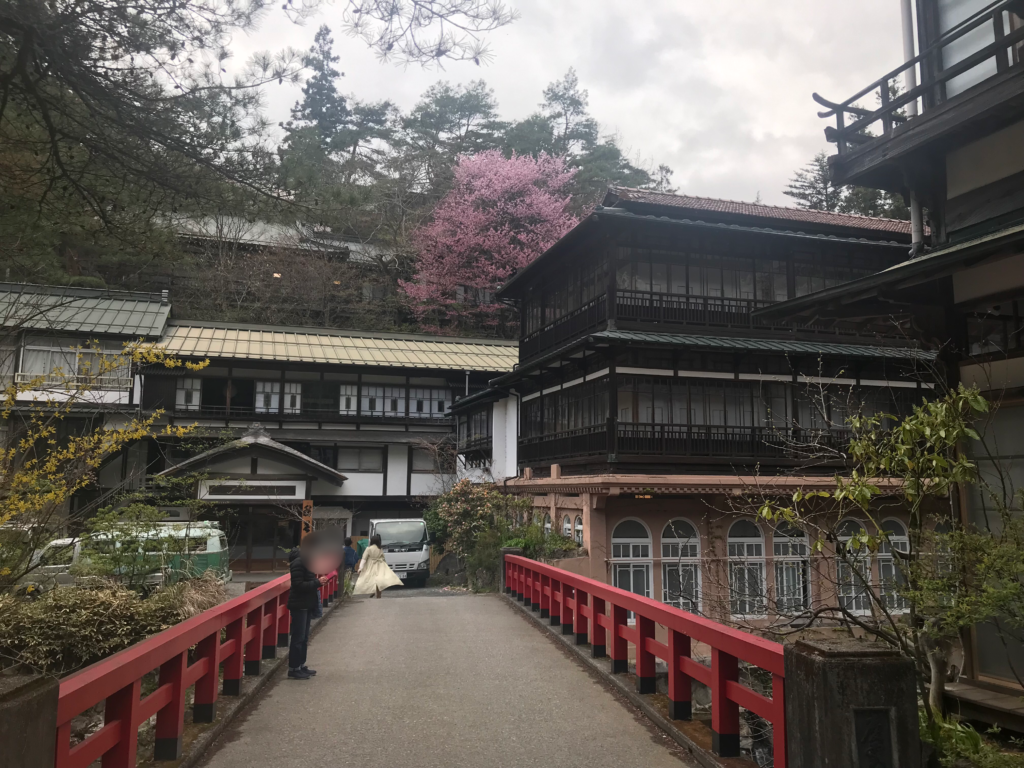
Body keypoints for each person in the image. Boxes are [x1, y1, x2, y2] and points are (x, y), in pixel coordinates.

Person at [287, 546, 327, 680]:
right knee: (298, 637)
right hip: (299, 604)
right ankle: (294, 668)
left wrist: (318, 582)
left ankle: (300, 665)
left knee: (304, 637)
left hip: (306, 603)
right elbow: (298, 585)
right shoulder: (298, 563)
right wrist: (317, 582)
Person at [352, 533, 402, 599]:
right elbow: (383, 558)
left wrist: (360, 568)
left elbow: (364, 559)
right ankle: (378, 594)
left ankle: (373, 590)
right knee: (380, 579)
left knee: (370, 579)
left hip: (371, 565)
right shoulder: (380, 549)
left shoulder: (368, 549)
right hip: (380, 565)